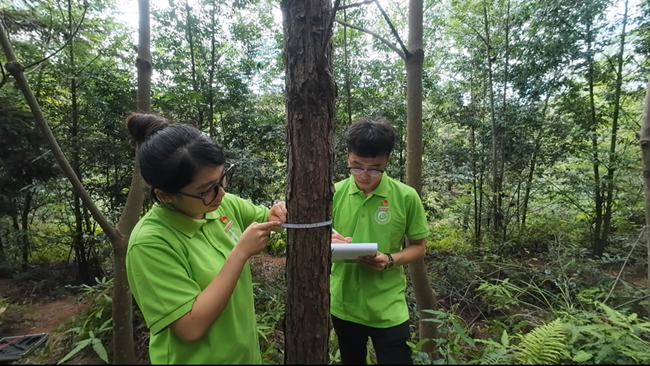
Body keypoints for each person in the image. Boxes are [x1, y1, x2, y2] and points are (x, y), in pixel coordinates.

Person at [124, 113, 287, 364]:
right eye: (206, 190)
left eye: (221, 179)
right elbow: (190, 327)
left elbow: (269, 219)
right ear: (165, 195)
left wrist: (279, 213)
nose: (221, 193)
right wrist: (241, 253)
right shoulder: (150, 242)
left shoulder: (220, 204)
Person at [330, 117, 430, 365]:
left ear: (388, 158)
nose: (364, 175)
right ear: (347, 156)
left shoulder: (406, 196)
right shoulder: (332, 193)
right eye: (356, 166)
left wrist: (389, 260)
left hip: (389, 308)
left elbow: (419, 246)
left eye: (374, 168)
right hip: (344, 304)